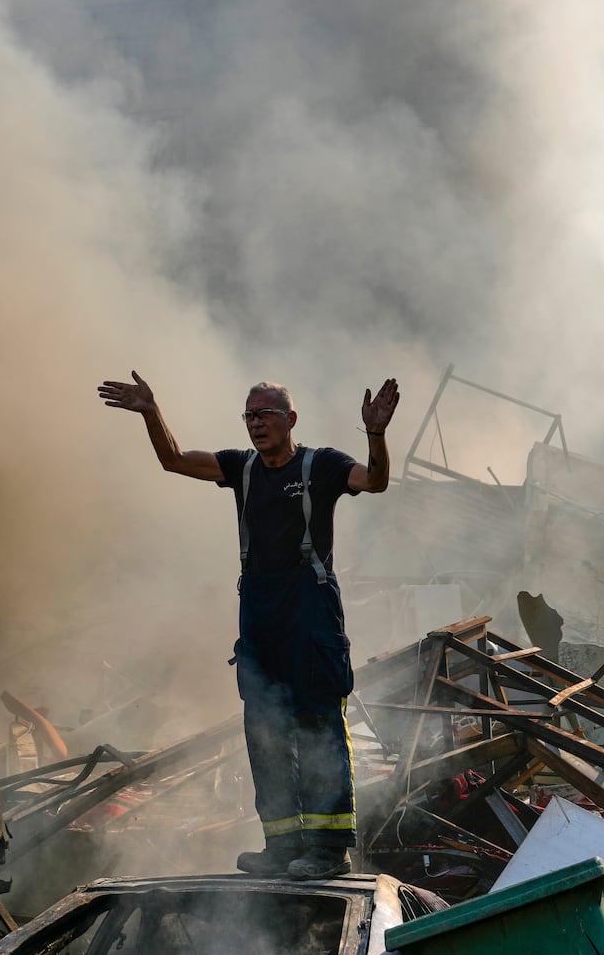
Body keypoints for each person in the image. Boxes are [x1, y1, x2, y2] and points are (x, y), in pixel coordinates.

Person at [97, 372, 399, 879]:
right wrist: (151, 412)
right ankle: (281, 845)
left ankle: (328, 850)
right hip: (260, 618)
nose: (255, 423)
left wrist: (375, 434)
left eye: (265, 414)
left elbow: (375, 480)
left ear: (291, 420)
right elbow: (173, 460)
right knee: (265, 731)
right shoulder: (241, 469)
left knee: (319, 725)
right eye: (249, 415)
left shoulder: (320, 465)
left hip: (311, 616)